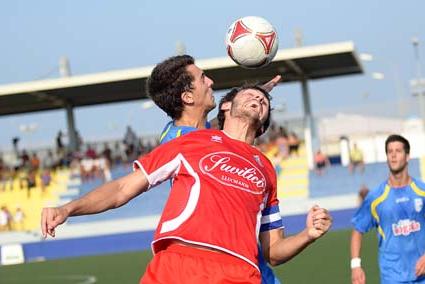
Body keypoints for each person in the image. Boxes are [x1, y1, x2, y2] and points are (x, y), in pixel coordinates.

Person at [42, 85, 332, 284]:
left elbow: (273, 251)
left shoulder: (266, 168)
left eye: (264, 101)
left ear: (266, 119)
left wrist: (308, 234)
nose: (259, 99)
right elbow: (122, 189)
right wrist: (68, 208)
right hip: (180, 264)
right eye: (250, 95)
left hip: (240, 272)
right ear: (226, 105)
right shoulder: (191, 142)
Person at [147, 54, 282, 283]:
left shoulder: (200, 133)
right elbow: (123, 188)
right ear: (188, 97)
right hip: (219, 261)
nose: (211, 82)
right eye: (203, 79)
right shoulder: (181, 140)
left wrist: (252, 100)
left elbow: (220, 130)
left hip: (245, 258)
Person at [350, 134, 425, 284]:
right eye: (389, 151)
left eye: (398, 151)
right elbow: (358, 229)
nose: (393, 155)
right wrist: (355, 266)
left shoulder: (422, 191)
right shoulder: (375, 197)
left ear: (407, 156)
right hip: (392, 277)